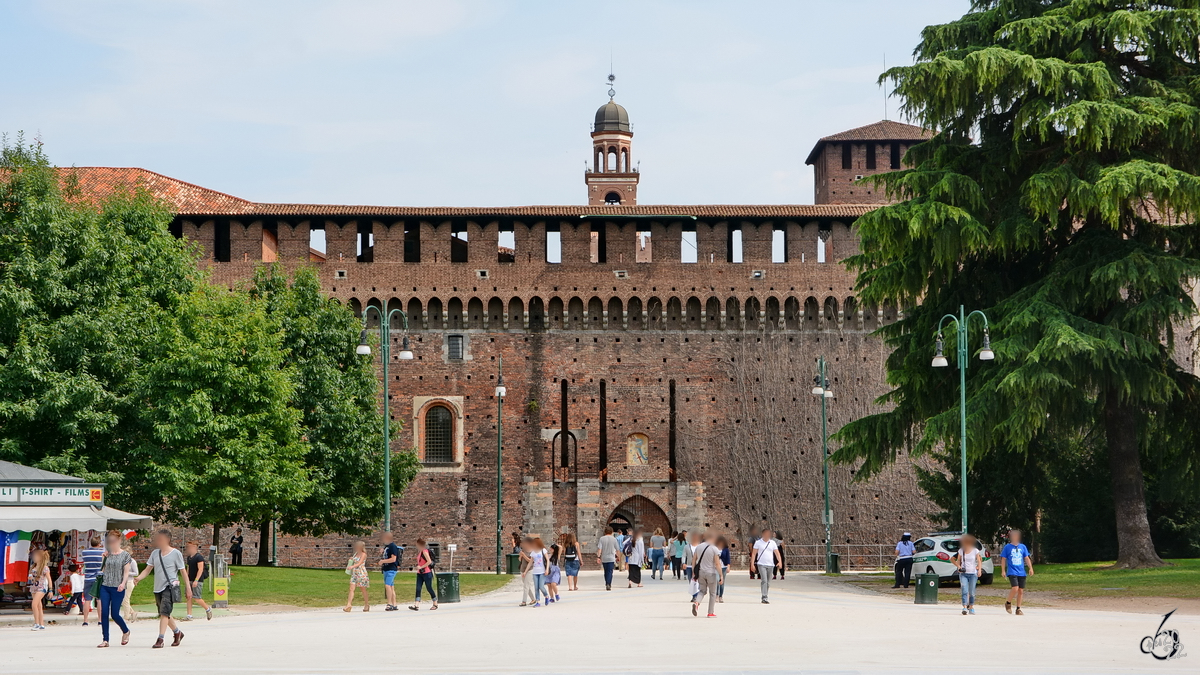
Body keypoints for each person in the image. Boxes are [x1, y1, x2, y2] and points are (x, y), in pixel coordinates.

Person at [133, 528, 189, 648]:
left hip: (169, 587)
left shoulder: (176, 554)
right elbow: (148, 569)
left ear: (167, 540)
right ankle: (177, 632)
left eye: (160, 539)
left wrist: (188, 588)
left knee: (164, 613)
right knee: (165, 613)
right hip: (157, 588)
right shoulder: (155, 553)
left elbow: (183, 572)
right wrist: (139, 578)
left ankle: (160, 639)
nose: (158, 541)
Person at [97, 530, 132, 647]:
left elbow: (126, 572)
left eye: (114, 541)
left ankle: (126, 631)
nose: (111, 543)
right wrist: (103, 559)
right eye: (109, 541)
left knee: (115, 614)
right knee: (104, 612)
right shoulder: (107, 554)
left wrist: (123, 583)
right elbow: (103, 570)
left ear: (119, 541)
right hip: (105, 585)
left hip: (118, 587)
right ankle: (105, 639)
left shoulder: (125, 555)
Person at [691, 533, 725, 618]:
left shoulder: (699, 547)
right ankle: (710, 612)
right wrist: (721, 575)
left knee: (702, 590)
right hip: (711, 573)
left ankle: (697, 602)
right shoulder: (714, 549)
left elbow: (694, 559)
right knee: (713, 593)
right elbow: (717, 564)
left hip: (701, 572)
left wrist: (693, 571)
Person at [1001, 529, 1033, 615]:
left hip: (1021, 571)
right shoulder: (1007, 547)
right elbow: (1003, 559)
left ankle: (1018, 608)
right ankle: (1008, 602)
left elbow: (1026, 557)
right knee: (1015, 588)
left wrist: (1030, 568)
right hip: (1012, 571)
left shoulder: (1022, 547)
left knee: (1020, 591)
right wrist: (1003, 570)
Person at [954, 533, 983, 616]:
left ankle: (971, 606)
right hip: (963, 573)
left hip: (973, 573)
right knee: (964, 590)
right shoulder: (961, 550)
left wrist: (979, 570)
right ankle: (964, 606)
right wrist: (958, 567)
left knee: (972, 591)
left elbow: (979, 560)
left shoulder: (975, 550)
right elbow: (958, 560)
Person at [183, 541, 213, 621]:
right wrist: (186, 578)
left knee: (196, 598)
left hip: (197, 580)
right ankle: (189, 615)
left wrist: (196, 580)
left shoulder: (199, 557)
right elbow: (188, 568)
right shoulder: (189, 557)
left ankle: (207, 609)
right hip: (190, 579)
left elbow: (200, 569)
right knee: (188, 597)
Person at [750, 528, 780, 604]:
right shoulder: (758, 542)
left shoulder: (772, 543)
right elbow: (754, 554)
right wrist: (752, 564)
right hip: (761, 564)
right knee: (764, 580)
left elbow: (777, 553)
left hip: (771, 564)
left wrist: (780, 562)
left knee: (768, 582)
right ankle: (764, 597)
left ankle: (765, 594)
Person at [81, 534, 104, 625]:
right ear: (99, 544)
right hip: (98, 578)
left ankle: (85, 620)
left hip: (88, 577)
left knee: (87, 599)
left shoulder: (84, 552)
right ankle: (100, 620)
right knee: (99, 599)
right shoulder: (102, 553)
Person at [410, 538, 438, 611]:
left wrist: (421, 567)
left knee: (429, 588)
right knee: (418, 588)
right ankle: (416, 604)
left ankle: (435, 603)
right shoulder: (420, 552)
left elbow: (429, 561)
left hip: (427, 572)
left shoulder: (425, 552)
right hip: (420, 573)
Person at [343, 540, 370, 612]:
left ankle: (366, 604)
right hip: (354, 573)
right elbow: (354, 561)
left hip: (361, 573)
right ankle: (349, 605)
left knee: (363, 589)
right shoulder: (356, 554)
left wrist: (352, 566)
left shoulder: (363, 554)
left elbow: (360, 563)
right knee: (351, 589)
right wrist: (352, 560)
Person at [28, 549, 51, 631]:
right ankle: (41, 624)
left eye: (36, 556)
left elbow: (49, 579)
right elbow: (31, 578)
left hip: (42, 587)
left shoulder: (45, 568)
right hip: (34, 587)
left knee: (34, 604)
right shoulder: (33, 567)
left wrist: (51, 590)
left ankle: (36, 623)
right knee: (38, 606)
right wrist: (30, 578)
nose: (34, 558)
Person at [380, 531, 402, 611]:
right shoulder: (387, 547)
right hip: (386, 569)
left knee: (387, 585)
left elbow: (393, 559)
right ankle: (394, 604)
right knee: (391, 587)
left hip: (391, 569)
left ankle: (389, 604)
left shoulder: (392, 546)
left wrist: (383, 561)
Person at [120, 539, 139, 624]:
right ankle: (132, 612)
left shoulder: (132, 561)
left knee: (126, 599)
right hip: (123, 582)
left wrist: (127, 573)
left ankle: (126, 617)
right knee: (122, 599)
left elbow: (136, 572)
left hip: (129, 581)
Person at [596, 526, 619, 591]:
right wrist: (618, 556)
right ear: (611, 532)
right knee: (610, 571)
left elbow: (599, 549)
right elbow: (617, 549)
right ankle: (608, 583)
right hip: (611, 558)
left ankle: (607, 583)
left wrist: (598, 557)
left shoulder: (602, 539)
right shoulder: (614, 539)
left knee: (606, 571)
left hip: (604, 557)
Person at [529, 537, 549, 606]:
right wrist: (525, 571)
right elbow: (530, 562)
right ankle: (538, 601)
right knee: (536, 587)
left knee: (541, 586)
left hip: (542, 571)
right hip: (535, 572)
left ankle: (546, 595)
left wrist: (547, 569)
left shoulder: (543, 550)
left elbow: (547, 560)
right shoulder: (533, 552)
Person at [518, 537, 534, 606]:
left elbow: (530, 561)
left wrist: (524, 555)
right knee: (526, 586)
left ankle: (524, 601)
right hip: (522, 569)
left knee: (526, 586)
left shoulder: (532, 551)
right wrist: (520, 556)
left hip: (530, 570)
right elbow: (519, 560)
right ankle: (533, 599)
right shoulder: (523, 550)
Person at [717, 538, 731, 603]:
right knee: (717, 581)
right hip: (716, 567)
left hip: (723, 567)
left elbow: (728, 558)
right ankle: (716, 595)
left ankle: (720, 596)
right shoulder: (715, 549)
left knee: (722, 582)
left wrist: (728, 566)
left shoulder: (726, 550)